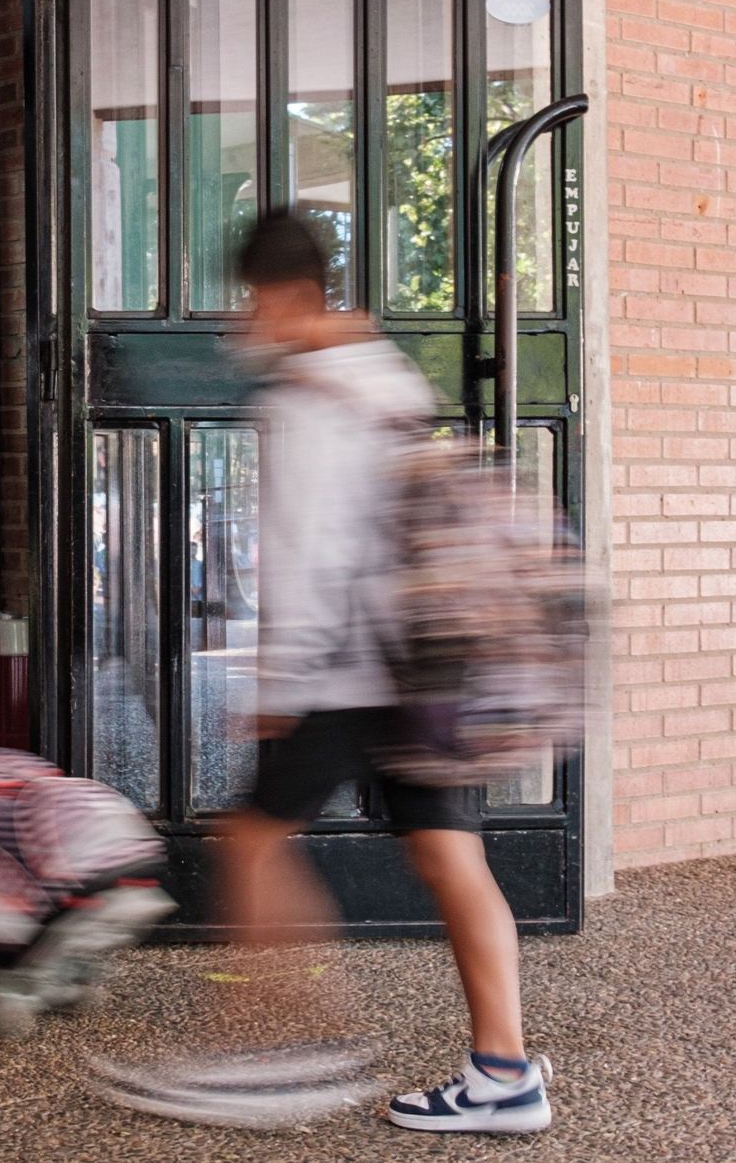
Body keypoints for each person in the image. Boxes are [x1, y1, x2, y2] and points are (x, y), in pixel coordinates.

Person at [100, 213, 552, 1134]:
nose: (243, 321)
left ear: (290, 295)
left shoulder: (303, 401)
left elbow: (310, 553)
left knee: (251, 839)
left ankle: (276, 1053)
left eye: (252, 300)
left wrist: (279, 689)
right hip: (424, 665)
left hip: (349, 672)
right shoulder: (382, 371)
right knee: (451, 855)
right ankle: (504, 1071)